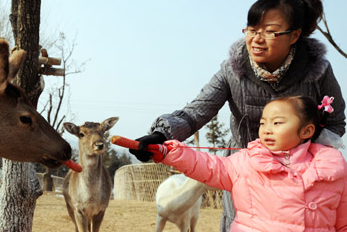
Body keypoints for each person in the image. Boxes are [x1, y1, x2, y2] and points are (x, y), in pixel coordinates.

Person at [129, 0, 346, 231]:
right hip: (247, 177)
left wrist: (307, 163)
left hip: (304, 185)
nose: (257, 39)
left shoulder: (318, 71)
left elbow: (335, 121)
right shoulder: (233, 70)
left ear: (294, 35)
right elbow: (197, 111)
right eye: (252, 30)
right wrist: (161, 135)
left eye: (270, 31)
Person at [137, 95, 347, 231]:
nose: (266, 129)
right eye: (263, 123)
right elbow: (210, 166)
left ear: (307, 131)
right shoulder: (247, 162)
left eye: (277, 123)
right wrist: (168, 151)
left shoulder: (332, 170)